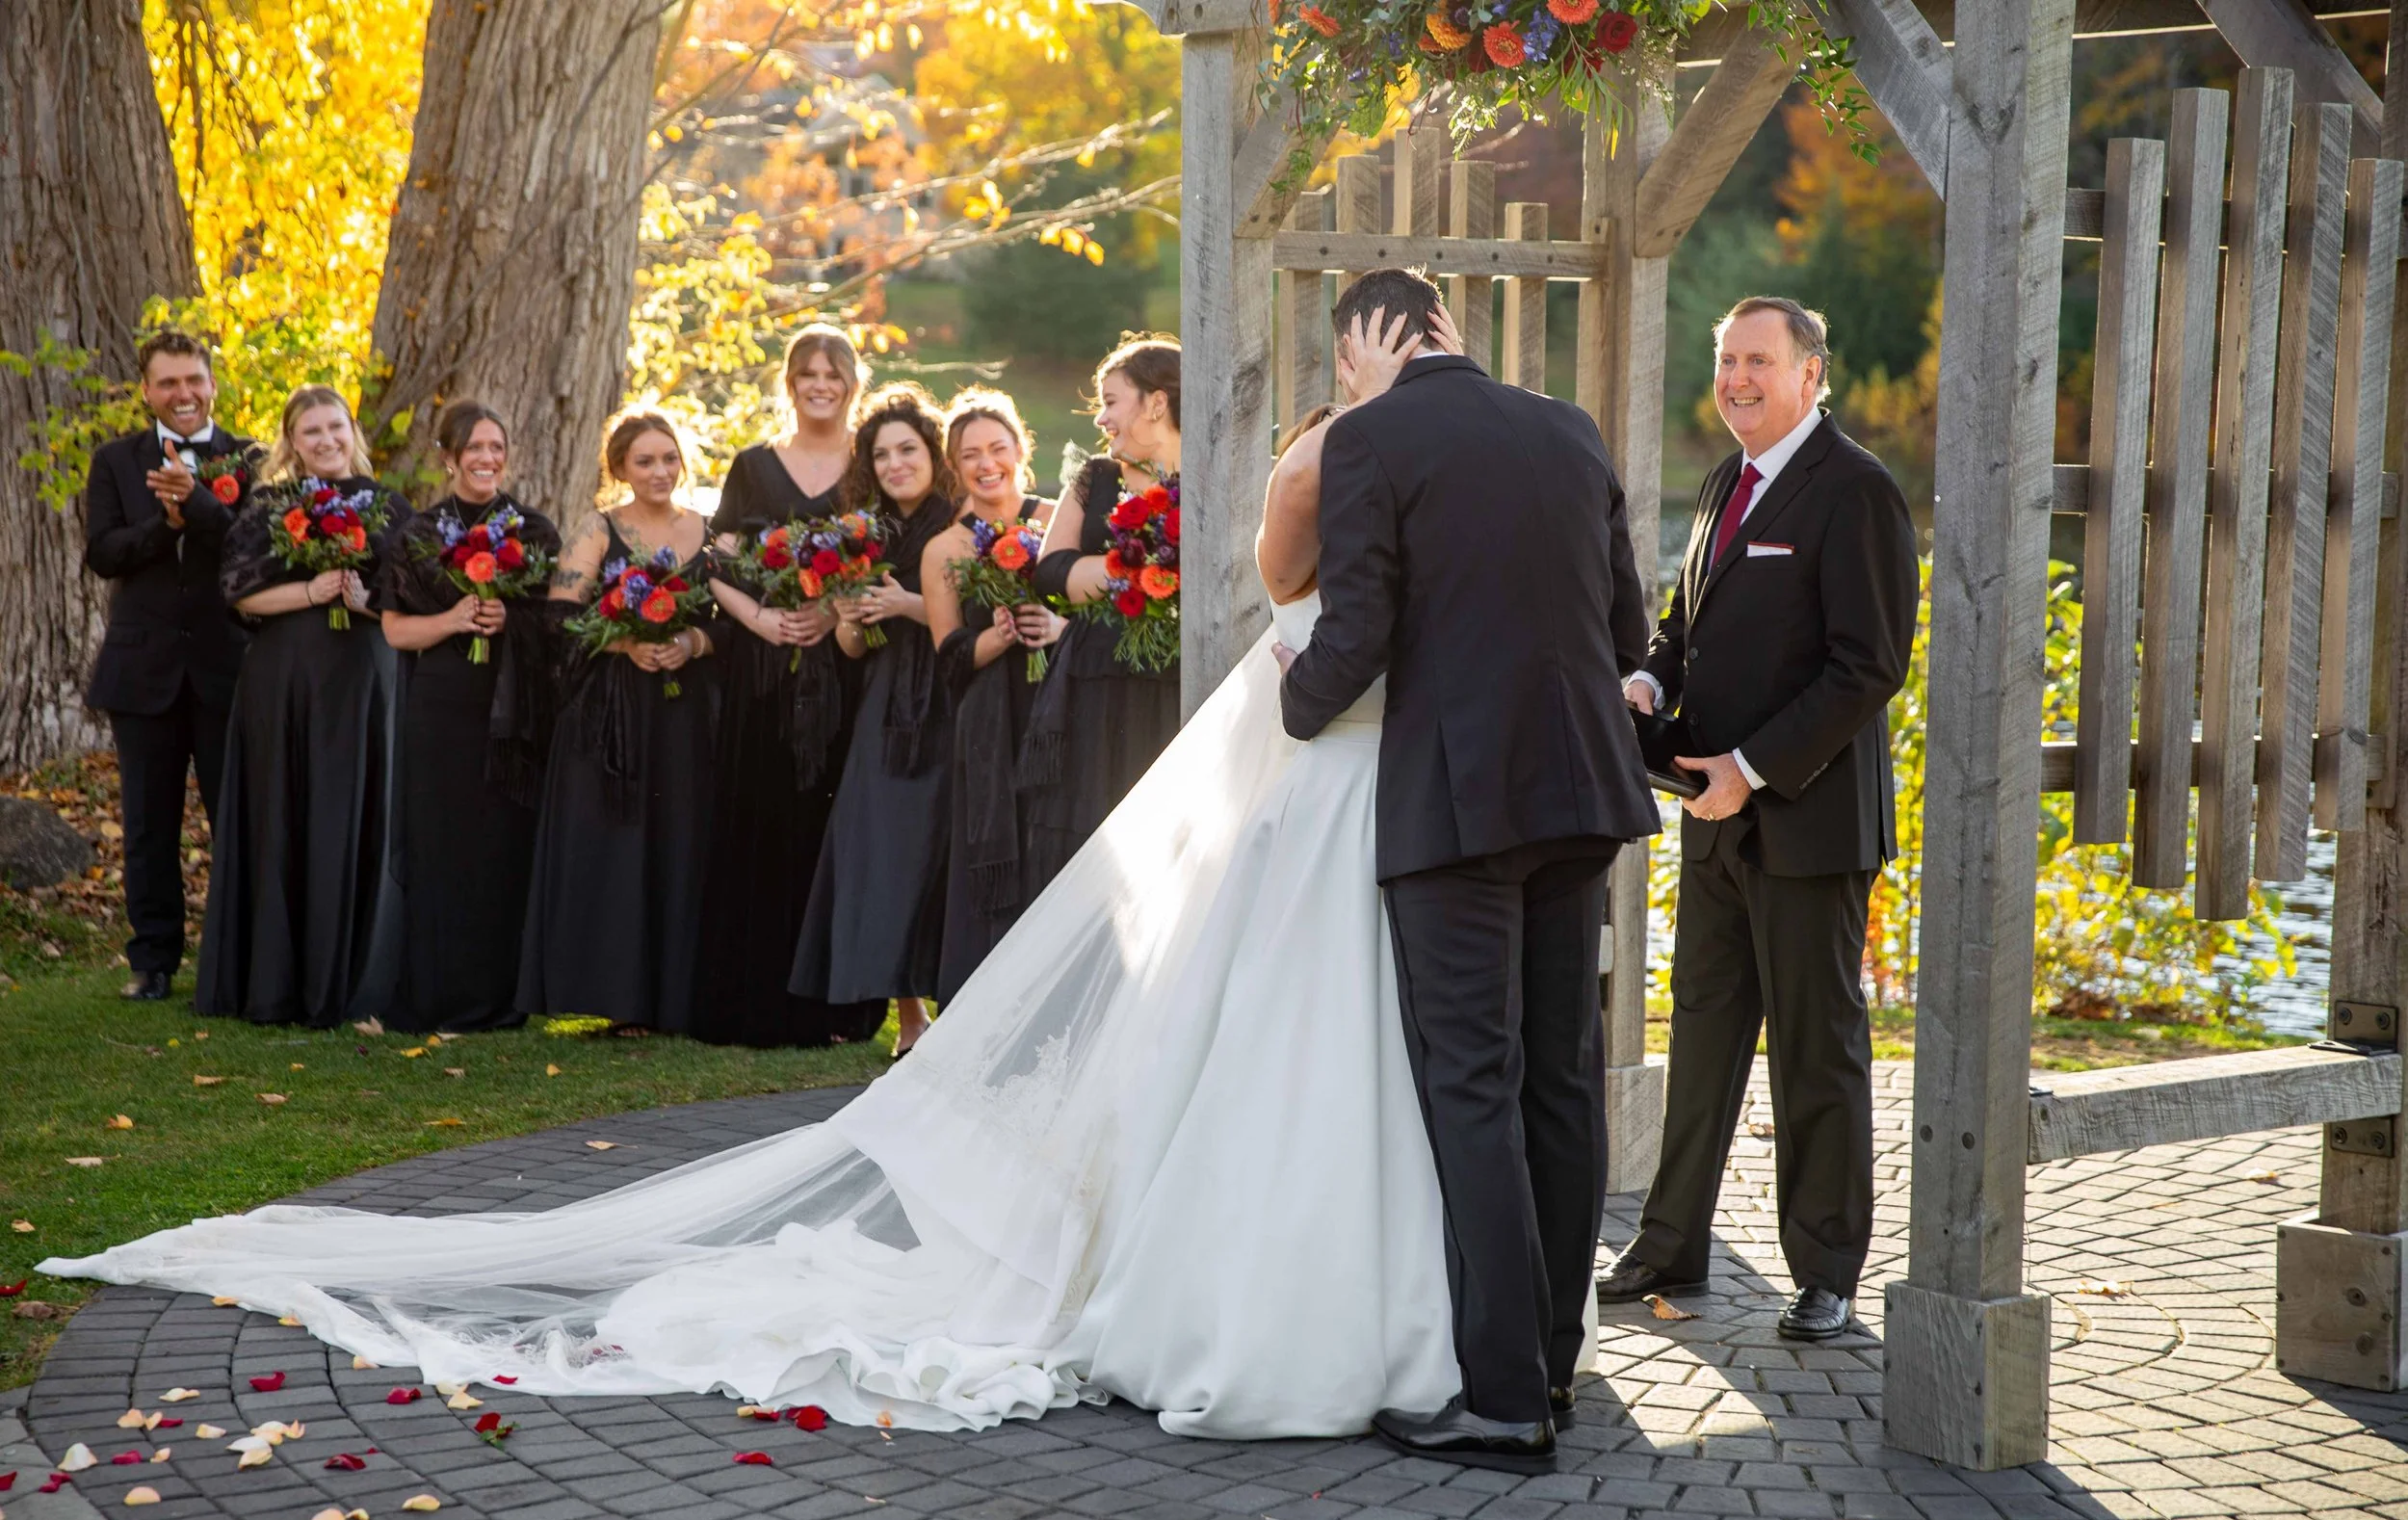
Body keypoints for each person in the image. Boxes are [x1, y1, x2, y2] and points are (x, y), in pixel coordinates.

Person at [39, 311, 1494, 1448]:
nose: (1097, 424)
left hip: (1290, 770)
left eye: (1114, 405)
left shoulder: (1299, 475)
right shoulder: (1163, 487)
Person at [1278, 268, 1660, 1473]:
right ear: (1454, 329)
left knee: (1473, 1087)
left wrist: (1282, 711)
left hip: (1458, 805)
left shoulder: (1371, 440)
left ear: (1363, 347)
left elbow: (1359, 631)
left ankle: (1501, 1399)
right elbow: (1626, 635)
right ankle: (1551, 1355)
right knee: (1560, 1077)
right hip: (1583, 793)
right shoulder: (1567, 427)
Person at [1595, 296, 1918, 1344]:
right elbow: (1684, 622)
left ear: (1810, 373)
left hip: (1808, 824)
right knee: (1700, 1033)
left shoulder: (1857, 492)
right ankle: (1669, 1244)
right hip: (1709, 816)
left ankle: (1825, 1267)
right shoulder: (1724, 478)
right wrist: (1648, 678)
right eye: (1726, 358)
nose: (1735, 377)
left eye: (1758, 361)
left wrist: (1752, 767)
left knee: (1816, 1052)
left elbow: (1868, 665)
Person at [692, 328, 888, 1049]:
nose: (819, 383)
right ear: (789, 382)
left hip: (846, 665)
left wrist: (836, 607)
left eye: (832, 372)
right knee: (760, 817)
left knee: (832, 827)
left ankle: (839, 1008)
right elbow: (715, 562)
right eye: (806, 372)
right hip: (763, 670)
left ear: (851, 382)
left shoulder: (870, 465)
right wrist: (763, 619)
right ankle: (754, 1004)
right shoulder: (752, 465)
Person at [195, 385, 406, 1027]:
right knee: (285, 809)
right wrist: (313, 589)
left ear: (352, 431)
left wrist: (362, 596)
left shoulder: (389, 506)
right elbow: (240, 595)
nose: (325, 440)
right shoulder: (268, 506)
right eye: (310, 431)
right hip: (284, 682)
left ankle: (356, 981)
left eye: (334, 427)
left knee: (360, 809)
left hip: (365, 680)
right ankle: (279, 982)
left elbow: (412, 598)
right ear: (292, 440)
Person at [515, 412, 719, 1035]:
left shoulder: (710, 533)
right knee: (621, 847)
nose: (660, 471)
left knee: (682, 840)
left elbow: (736, 620)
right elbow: (557, 620)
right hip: (614, 715)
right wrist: (622, 645)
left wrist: (693, 640)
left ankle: (681, 997)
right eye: (644, 461)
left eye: (668, 459)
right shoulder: (598, 531)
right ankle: (624, 999)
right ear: (620, 469)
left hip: (685, 714)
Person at [375, 402, 563, 1034]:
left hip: (512, 710)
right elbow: (396, 629)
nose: (487, 458)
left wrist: (512, 619)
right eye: (474, 448)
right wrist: (456, 619)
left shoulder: (533, 532)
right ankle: (440, 996)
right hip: (442, 706)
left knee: (503, 846)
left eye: (495, 447)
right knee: (443, 846)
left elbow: (559, 620)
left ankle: (503, 999)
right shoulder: (419, 535)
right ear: (448, 456)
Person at [82, 329, 254, 1003]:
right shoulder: (116, 461)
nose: (182, 394)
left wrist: (202, 504)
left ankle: (236, 954)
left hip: (225, 665)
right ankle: (152, 959)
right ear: (146, 390)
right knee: (149, 823)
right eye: (167, 383)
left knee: (232, 814)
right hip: (142, 667)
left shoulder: (251, 456)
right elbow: (104, 551)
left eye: (193, 380)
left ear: (212, 383)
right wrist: (168, 524)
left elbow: (252, 541)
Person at [789, 384, 959, 1054]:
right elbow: (852, 649)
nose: (894, 464)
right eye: (881, 454)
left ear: (932, 453)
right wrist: (851, 618)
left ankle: (959, 1001)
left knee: (943, 851)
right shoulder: (865, 534)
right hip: (886, 704)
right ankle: (909, 1014)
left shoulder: (961, 518)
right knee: (884, 853)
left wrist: (906, 605)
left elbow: (967, 619)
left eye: (907, 449)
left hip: (951, 696)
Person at [1020, 337, 1182, 888]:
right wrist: (1140, 567)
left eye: (1112, 401)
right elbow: (1050, 572)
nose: (1101, 416)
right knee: (1090, 835)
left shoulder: (1216, 475)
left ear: (1156, 403)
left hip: (1179, 680)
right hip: (1093, 680)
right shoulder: (1096, 477)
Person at [920, 389, 1060, 1003]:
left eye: (998, 448)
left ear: (1021, 450)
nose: (986, 463)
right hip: (990, 721)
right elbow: (950, 658)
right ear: (955, 465)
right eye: (970, 453)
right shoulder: (944, 549)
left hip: (1058, 709)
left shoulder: (1056, 520)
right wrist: (997, 639)